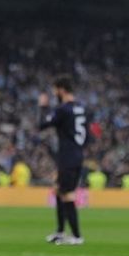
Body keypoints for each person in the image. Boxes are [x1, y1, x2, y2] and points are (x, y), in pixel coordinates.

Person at [39, 76, 89, 246]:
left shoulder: (63, 109)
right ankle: (60, 232)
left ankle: (76, 236)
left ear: (61, 89)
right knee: (59, 190)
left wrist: (43, 107)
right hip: (77, 154)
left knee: (67, 194)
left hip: (68, 156)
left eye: (55, 90)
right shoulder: (81, 108)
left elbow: (42, 124)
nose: (54, 94)